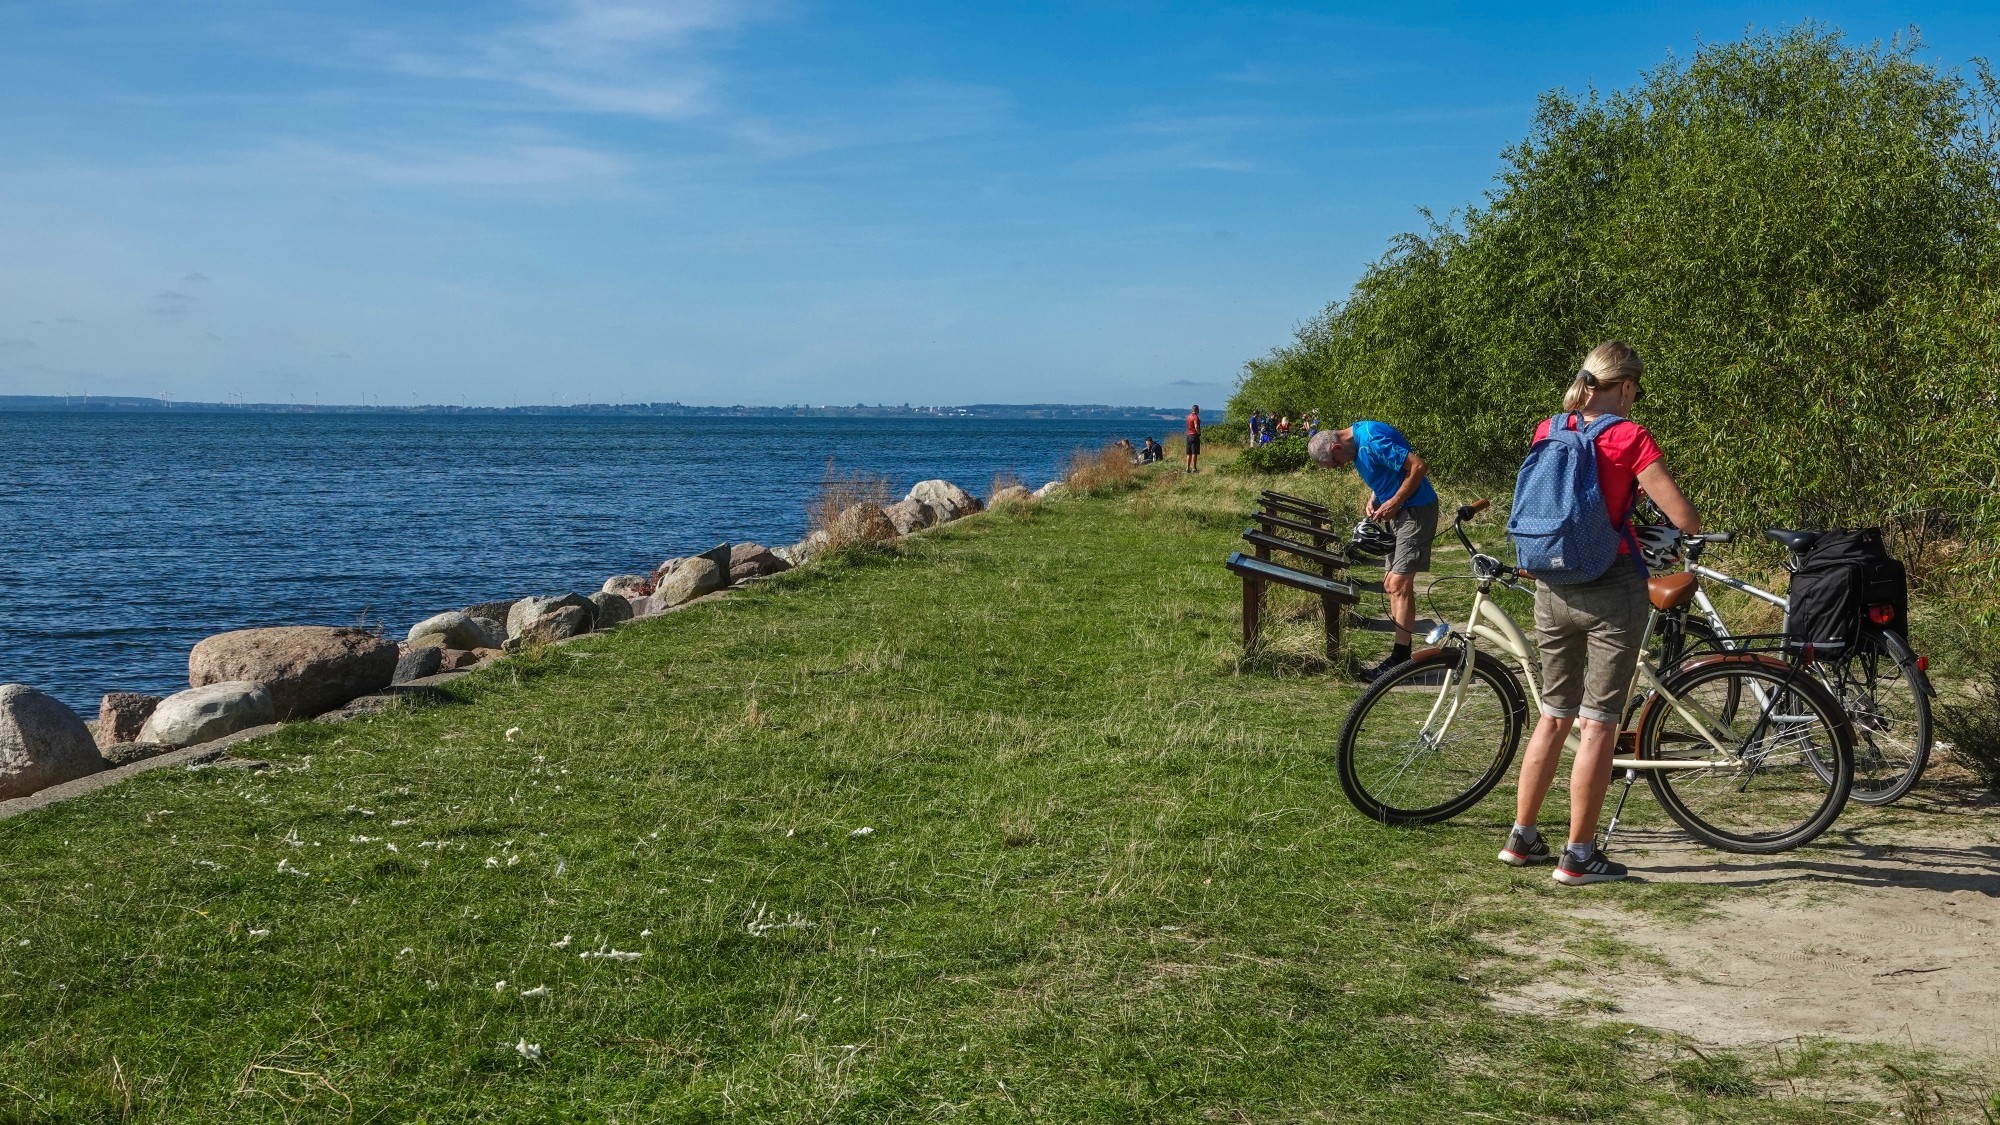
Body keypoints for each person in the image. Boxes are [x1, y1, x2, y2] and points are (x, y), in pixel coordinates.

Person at [1502, 341, 1700, 886]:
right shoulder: (1629, 436)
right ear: (1627, 387)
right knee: (1599, 721)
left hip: (1552, 582)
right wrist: (1682, 529)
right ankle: (1579, 854)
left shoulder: (1550, 428)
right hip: (1612, 586)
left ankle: (1521, 837)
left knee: (1554, 713)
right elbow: (1682, 515)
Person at [1307, 420, 1437, 681]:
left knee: (1399, 584)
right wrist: (1376, 497)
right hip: (1399, 513)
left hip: (1415, 511)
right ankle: (1402, 655)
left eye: (1337, 463)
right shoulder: (1356, 442)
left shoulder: (1372, 441)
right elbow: (1388, 473)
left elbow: (1418, 467)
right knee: (1391, 585)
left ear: (1335, 447)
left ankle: (1400, 660)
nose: (1341, 467)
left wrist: (1394, 500)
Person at [1184, 405, 1201, 473]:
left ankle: (1187, 468)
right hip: (1194, 435)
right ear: (1197, 410)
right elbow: (1196, 426)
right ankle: (1194, 468)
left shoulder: (1188, 417)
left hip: (1188, 435)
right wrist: (1198, 432)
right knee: (1194, 453)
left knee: (1189, 453)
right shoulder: (1195, 417)